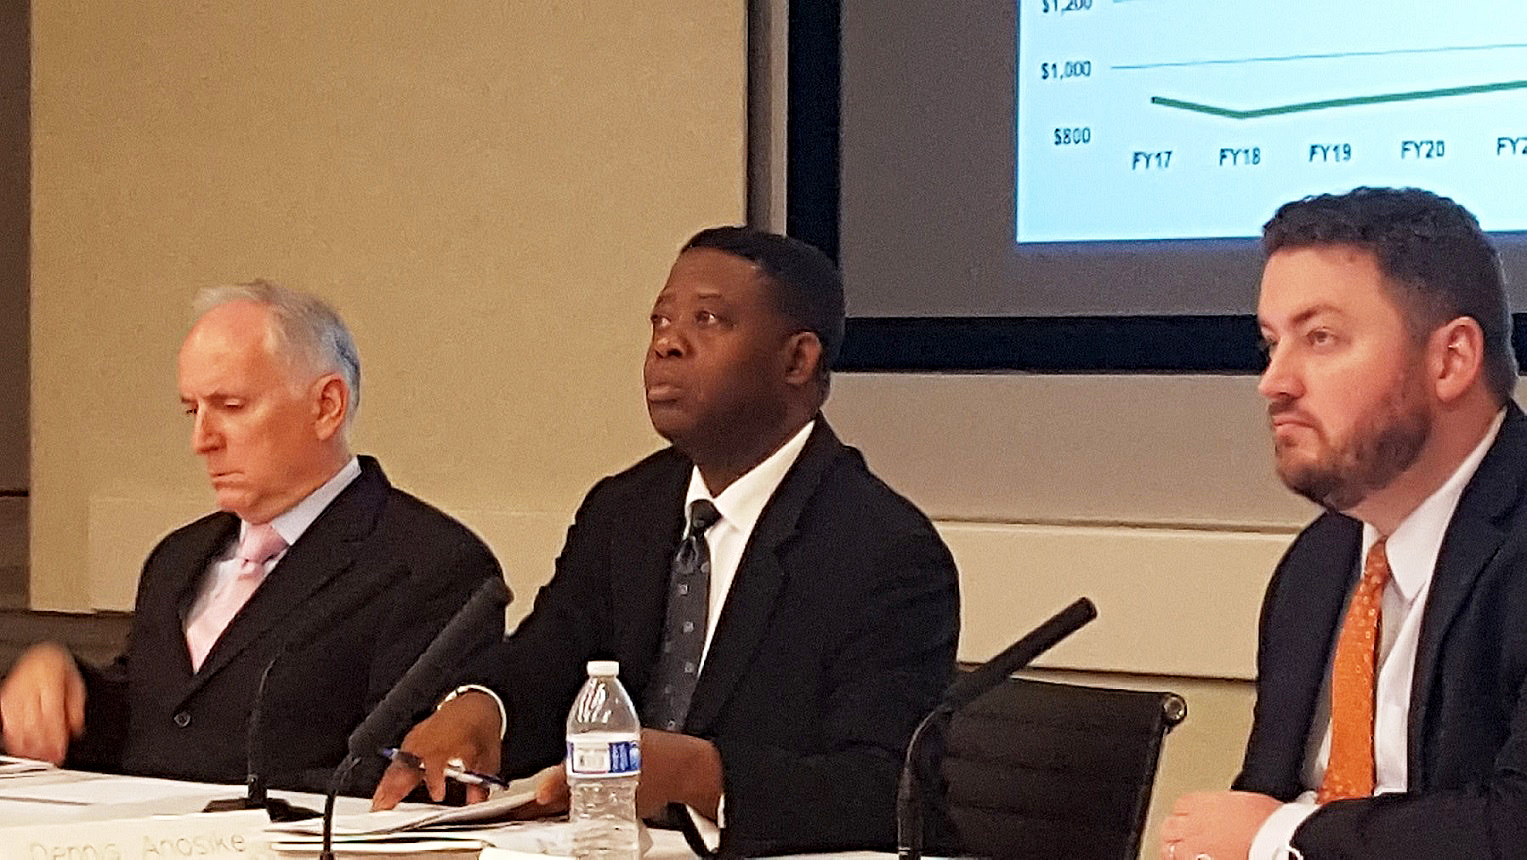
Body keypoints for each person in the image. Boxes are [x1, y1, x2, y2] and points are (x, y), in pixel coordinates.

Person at [371, 226, 961, 856]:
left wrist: (697, 776)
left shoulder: (884, 550)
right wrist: (483, 707)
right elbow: (550, 657)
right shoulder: (625, 510)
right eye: (660, 321)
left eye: (707, 320)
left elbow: (883, 787)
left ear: (797, 360)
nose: (666, 344)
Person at [0, 282, 504, 792]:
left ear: (326, 406)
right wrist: (63, 687)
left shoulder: (430, 564)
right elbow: (158, 723)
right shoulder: (176, 558)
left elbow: (398, 774)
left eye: (231, 406)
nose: (202, 441)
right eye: (193, 411)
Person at [1160, 187, 1527, 859]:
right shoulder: (1320, 561)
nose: (1274, 382)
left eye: (1320, 339)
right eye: (1271, 345)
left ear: (1450, 360)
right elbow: (1260, 798)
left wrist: (1279, 836)